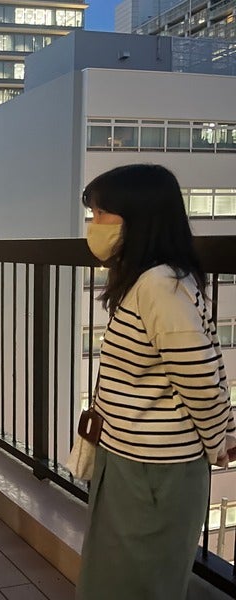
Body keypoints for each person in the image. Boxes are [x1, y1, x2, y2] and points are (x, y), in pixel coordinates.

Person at [78, 164, 236, 600]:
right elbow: (205, 363)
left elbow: (199, 376)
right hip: (135, 459)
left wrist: (218, 440)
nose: (93, 225)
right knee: (123, 576)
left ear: (138, 219)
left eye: (101, 214)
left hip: (154, 469)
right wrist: (222, 432)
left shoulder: (159, 286)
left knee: (136, 582)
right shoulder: (154, 280)